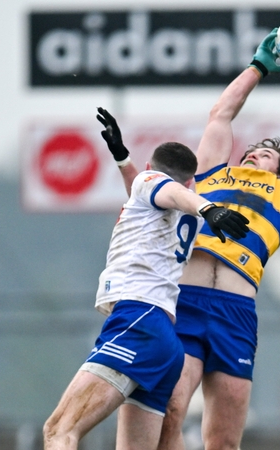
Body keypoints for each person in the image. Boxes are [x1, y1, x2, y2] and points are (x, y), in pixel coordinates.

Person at [97, 28, 280, 450]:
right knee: (170, 411)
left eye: (265, 151)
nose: (253, 151)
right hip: (184, 301)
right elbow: (221, 115)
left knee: (224, 440)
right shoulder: (210, 176)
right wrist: (258, 66)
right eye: (251, 148)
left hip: (236, 311)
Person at [42, 142, 250, 450]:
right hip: (165, 341)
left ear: (151, 170)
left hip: (138, 321)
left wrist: (207, 207)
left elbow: (162, 189)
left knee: (59, 430)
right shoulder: (171, 207)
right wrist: (123, 160)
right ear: (191, 180)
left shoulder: (157, 188)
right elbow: (158, 191)